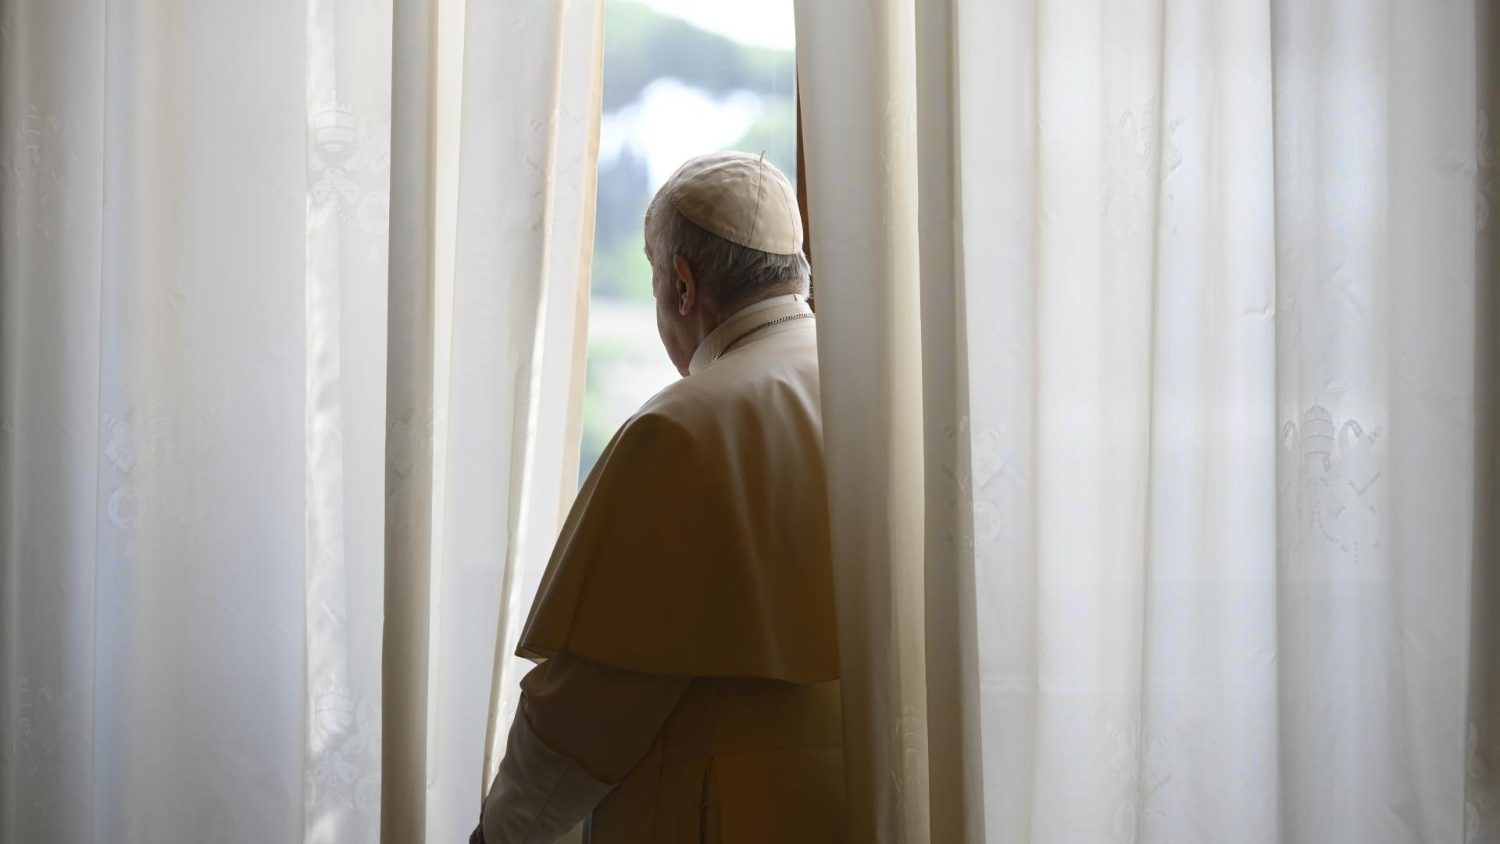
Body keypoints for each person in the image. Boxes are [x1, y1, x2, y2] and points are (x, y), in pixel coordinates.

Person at [471, 152, 844, 843]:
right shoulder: (885, 398)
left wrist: (498, 837)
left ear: (681, 283)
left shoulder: (678, 432)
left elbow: (586, 714)